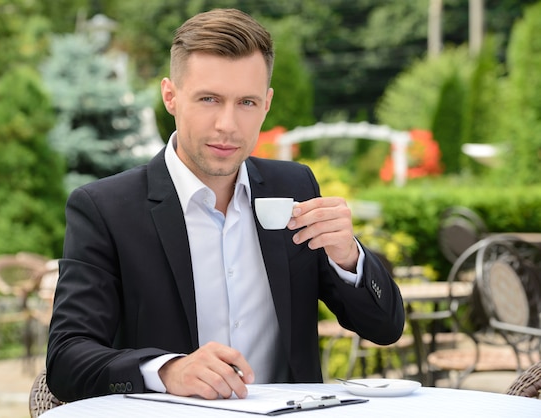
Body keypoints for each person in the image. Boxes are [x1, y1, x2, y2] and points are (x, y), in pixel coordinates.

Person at [46, 8, 405, 402]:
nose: (227, 125)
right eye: (209, 99)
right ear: (170, 96)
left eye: (246, 103)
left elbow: (384, 329)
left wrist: (349, 257)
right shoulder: (105, 209)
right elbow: (66, 360)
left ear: (266, 104)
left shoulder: (295, 186)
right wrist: (166, 370)